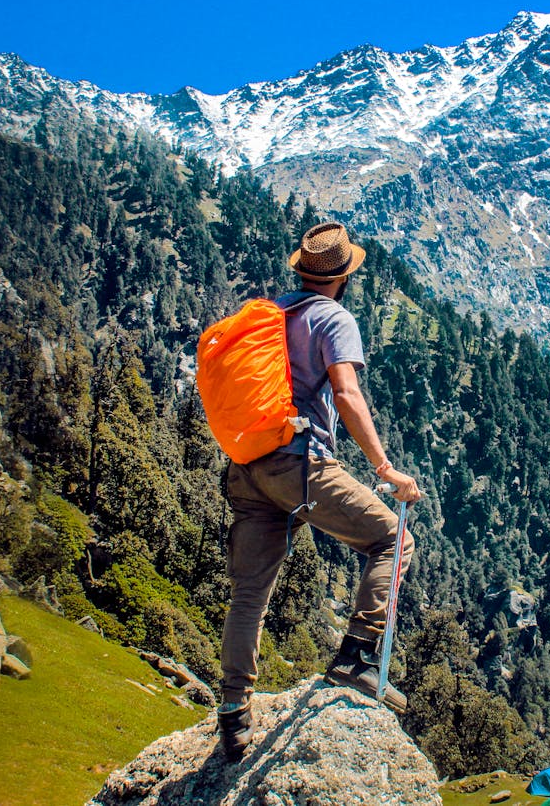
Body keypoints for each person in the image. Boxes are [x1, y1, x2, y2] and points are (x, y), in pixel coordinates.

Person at [216, 221, 421, 761]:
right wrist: (385, 468)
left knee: (248, 595)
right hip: (299, 464)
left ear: (302, 270)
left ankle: (234, 716)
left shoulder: (275, 314)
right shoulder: (334, 317)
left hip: (249, 466)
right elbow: (347, 394)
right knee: (390, 541)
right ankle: (356, 660)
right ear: (343, 277)